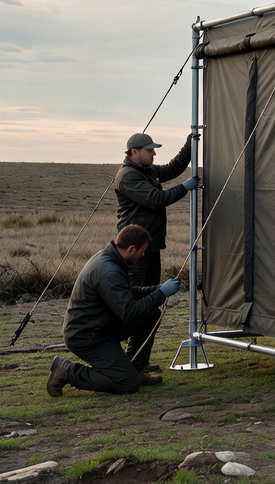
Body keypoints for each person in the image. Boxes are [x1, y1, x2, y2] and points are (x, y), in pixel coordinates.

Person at [47, 225, 182, 396]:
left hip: (102, 327)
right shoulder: (108, 271)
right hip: (87, 337)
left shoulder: (112, 259)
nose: (143, 255)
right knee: (128, 383)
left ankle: (134, 367)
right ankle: (66, 370)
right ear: (131, 249)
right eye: (143, 250)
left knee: (151, 314)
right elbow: (130, 311)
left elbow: (126, 295)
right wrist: (162, 294)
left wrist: (157, 289)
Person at [115, 132, 198, 288]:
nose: (154, 153)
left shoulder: (147, 170)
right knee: (136, 292)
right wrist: (184, 187)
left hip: (149, 245)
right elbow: (156, 199)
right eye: (149, 150)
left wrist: (189, 145)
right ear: (134, 152)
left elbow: (173, 168)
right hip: (135, 247)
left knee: (151, 291)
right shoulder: (127, 175)